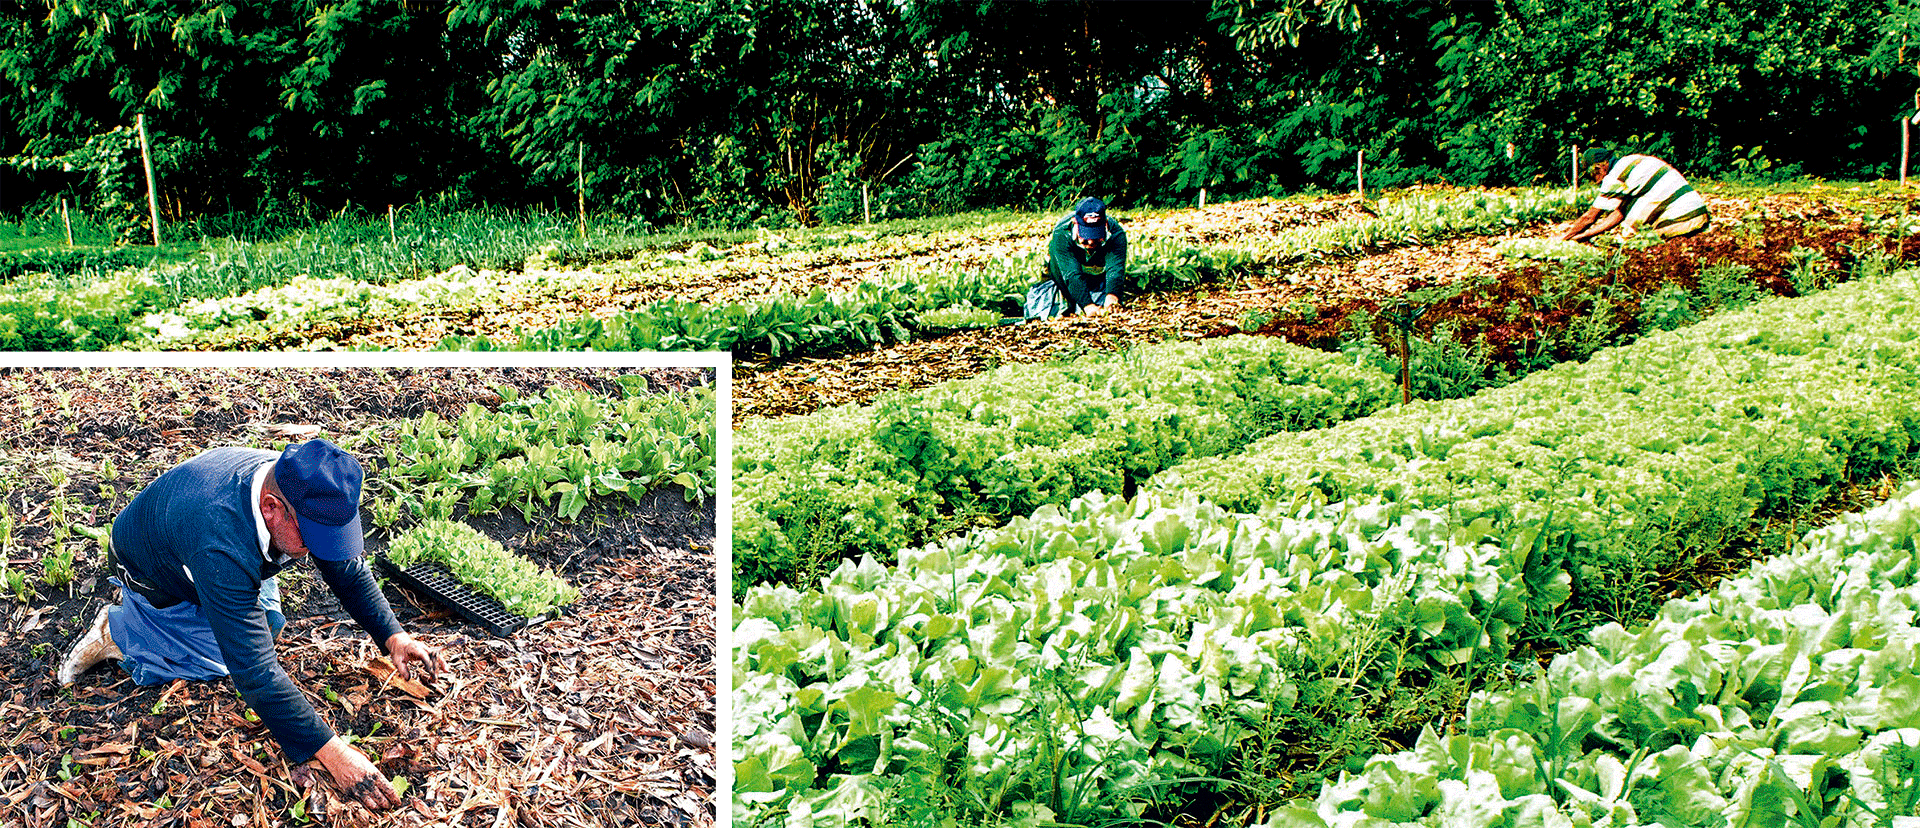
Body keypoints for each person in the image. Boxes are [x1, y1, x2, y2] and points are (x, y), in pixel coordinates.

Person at [57, 439, 446, 811]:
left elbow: (344, 566)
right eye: (313, 538)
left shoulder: (298, 479)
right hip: (154, 570)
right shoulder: (219, 542)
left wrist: (392, 634)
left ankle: (180, 614)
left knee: (268, 622)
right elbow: (254, 670)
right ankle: (122, 630)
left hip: (205, 541)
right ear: (272, 507)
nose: (318, 550)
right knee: (223, 661)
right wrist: (333, 752)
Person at [1561, 148, 1711, 243]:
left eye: (1591, 175)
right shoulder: (1632, 160)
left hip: (1681, 220)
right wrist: (1586, 235)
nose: (1593, 180)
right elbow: (1619, 213)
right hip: (1698, 212)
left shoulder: (1614, 177)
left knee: (1634, 233)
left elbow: (1590, 217)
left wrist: (1563, 238)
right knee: (1632, 209)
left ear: (1600, 167)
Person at [1025, 197, 1128, 319]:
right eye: (1086, 235)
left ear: (1105, 224)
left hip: (1096, 280)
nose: (1090, 242)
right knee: (1041, 313)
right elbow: (1071, 274)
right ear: (1075, 223)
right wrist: (1088, 306)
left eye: (1096, 236)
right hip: (1060, 280)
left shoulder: (1116, 234)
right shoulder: (1061, 234)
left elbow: (1115, 270)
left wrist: (1112, 299)